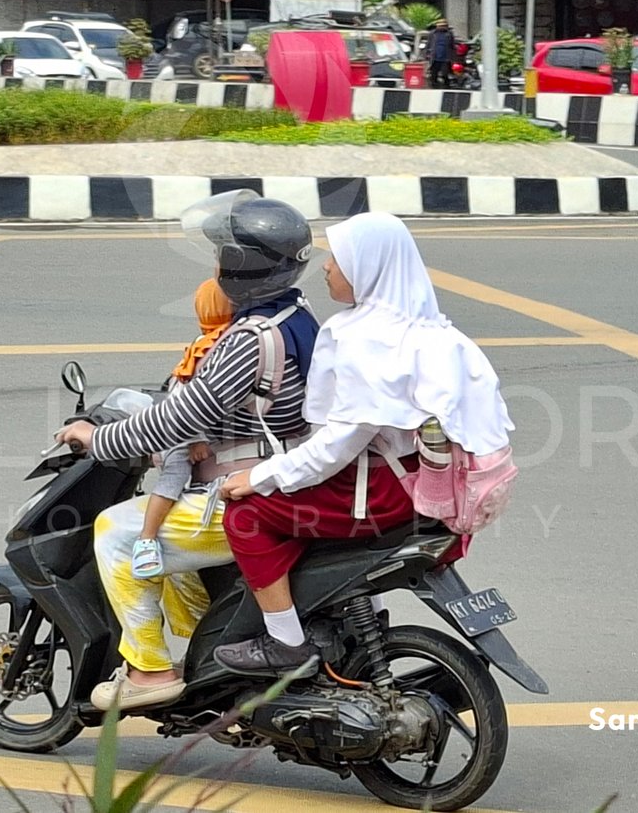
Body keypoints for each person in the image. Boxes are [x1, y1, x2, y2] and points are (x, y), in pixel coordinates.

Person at [212, 212, 514, 677]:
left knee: (246, 516)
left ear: (368, 267)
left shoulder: (365, 338)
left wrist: (260, 475)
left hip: (378, 493)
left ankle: (286, 644)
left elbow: (337, 444)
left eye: (339, 258)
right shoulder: (439, 334)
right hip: (425, 484)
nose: (327, 266)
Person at [54, 191, 318, 710]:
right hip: (288, 474)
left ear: (239, 268)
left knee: (118, 532)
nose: (214, 267)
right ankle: (212, 660)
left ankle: (149, 672)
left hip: (248, 490)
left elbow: (181, 418)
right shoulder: (296, 314)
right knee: (168, 555)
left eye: (221, 256)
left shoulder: (248, 339)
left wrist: (97, 438)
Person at [131, 278, 234, 580]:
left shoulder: (220, 340)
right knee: (174, 478)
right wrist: (195, 440)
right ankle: (147, 539)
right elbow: (187, 402)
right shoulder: (210, 348)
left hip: (184, 427)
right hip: (180, 434)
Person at [427, 18, 456, 88]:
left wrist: (453, 56)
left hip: (445, 57)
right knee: (434, 73)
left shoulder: (449, 34)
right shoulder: (432, 34)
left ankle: (446, 86)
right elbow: (429, 44)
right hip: (435, 57)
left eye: (444, 26)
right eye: (440, 26)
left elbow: (452, 45)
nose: (442, 27)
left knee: (445, 73)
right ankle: (434, 86)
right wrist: (427, 54)